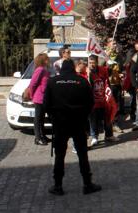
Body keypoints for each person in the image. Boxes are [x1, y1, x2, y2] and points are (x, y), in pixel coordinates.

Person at [44, 59, 101, 196]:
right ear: (73, 68)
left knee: (60, 155)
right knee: (82, 154)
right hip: (78, 122)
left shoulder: (52, 82)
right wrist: (83, 115)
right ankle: (87, 184)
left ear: (62, 68)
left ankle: (58, 186)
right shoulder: (81, 81)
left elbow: (46, 104)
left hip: (60, 123)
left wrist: (54, 117)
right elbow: (90, 103)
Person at [87, 55, 114, 146]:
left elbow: (107, 79)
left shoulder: (102, 70)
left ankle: (109, 135)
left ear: (97, 62)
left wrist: (109, 94)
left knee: (108, 117)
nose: (91, 65)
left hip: (104, 99)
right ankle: (94, 136)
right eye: (90, 63)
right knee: (93, 120)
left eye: (93, 63)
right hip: (93, 101)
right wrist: (88, 75)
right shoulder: (86, 72)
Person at [29, 53, 51, 145]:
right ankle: (38, 138)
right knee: (38, 118)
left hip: (44, 98)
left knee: (42, 118)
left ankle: (43, 135)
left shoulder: (44, 70)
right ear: (43, 60)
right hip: (39, 98)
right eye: (47, 59)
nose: (48, 60)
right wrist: (31, 96)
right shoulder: (40, 70)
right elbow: (33, 84)